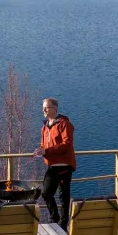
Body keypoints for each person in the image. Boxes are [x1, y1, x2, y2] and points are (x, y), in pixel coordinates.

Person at [34, 97, 76, 226]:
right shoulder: (45, 127)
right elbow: (44, 144)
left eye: (47, 107)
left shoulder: (64, 124)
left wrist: (47, 151)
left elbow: (66, 144)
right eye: (43, 108)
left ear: (55, 109)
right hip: (52, 165)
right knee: (46, 193)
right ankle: (55, 218)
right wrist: (40, 150)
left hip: (64, 165)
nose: (44, 110)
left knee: (63, 196)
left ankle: (63, 224)